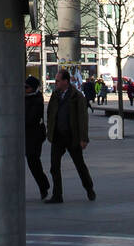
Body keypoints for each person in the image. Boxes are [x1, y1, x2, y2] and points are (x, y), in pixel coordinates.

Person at [45, 68, 95, 202]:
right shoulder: (55, 95)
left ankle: (89, 188)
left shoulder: (77, 96)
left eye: (58, 81)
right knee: (54, 166)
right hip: (58, 136)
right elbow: (50, 113)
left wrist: (83, 138)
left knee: (79, 165)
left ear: (65, 81)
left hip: (72, 136)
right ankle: (57, 195)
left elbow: (83, 118)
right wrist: (50, 131)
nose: (55, 83)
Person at [24, 75, 51, 200]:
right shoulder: (27, 98)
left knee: (33, 160)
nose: (25, 89)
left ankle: (43, 185)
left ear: (33, 88)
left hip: (35, 135)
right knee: (33, 161)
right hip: (28, 134)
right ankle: (43, 185)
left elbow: (31, 118)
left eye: (27, 87)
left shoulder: (36, 100)